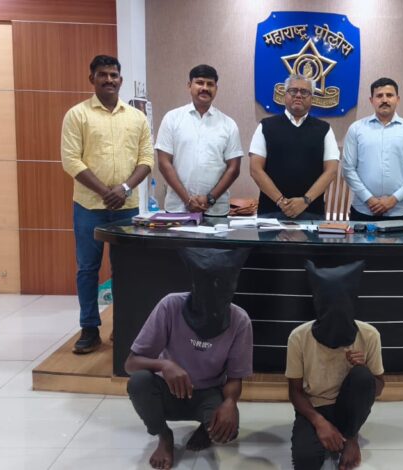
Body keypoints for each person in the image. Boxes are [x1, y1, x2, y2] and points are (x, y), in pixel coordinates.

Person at [125, 247, 253, 469]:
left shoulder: (239, 320)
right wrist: (164, 364)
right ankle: (164, 436)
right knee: (139, 382)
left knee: (227, 432)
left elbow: (235, 378)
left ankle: (205, 428)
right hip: (168, 389)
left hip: (208, 392)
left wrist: (230, 402)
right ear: (194, 286)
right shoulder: (170, 305)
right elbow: (131, 364)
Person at [61, 55, 153, 354]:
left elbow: (146, 159)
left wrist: (124, 188)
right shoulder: (77, 115)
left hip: (127, 207)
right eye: (103, 75)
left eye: (114, 75)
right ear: (92, 79)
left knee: (125, 269)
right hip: (89, 206)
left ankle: (123, 326)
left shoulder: (136, 117)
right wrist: (105, 191)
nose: (109, 80)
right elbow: (70, 160)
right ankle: (89, 329)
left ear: (120, 80)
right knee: (87, 268)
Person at [287, 260, 384, 470]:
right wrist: (318, 422)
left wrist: (351, 437)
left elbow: (377, 388)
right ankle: (332, 434)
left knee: (362, 376)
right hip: (314, 406)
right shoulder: (299, 337)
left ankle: (348, 434)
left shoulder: (369, 335)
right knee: (305, 461)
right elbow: (295, 392)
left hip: (348, 407)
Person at [155, 64, 243, 217]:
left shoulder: (228, 124)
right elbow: (164, 163)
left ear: (216, 88)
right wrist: (187, 200)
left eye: (210, 84)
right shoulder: (172, 118)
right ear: (189, 85)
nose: (205, 88)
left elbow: (234, 168)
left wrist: (210, 199)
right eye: (200, 82)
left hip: (215, 210)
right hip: (178, 208)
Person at [249, 74, 339, 220]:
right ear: (285, 95)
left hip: (312, 211)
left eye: (304, 92)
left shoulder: (324, 129)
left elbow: (331, 171)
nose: (298, 95)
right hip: (271, 211)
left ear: (312, 97)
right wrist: (281, 201)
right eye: (293, 91)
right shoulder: (265, 126)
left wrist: (305, 201)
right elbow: (255, 169)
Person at [341, 77, 403, 221]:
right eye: (379, 96)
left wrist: (394, 199)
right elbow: (348, 169)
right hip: (363, 210)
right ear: (371, 100)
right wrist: (369, 199)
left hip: (399, 211)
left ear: (397, 99)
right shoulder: (356, 129)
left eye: (389, 95)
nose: (384, 100)